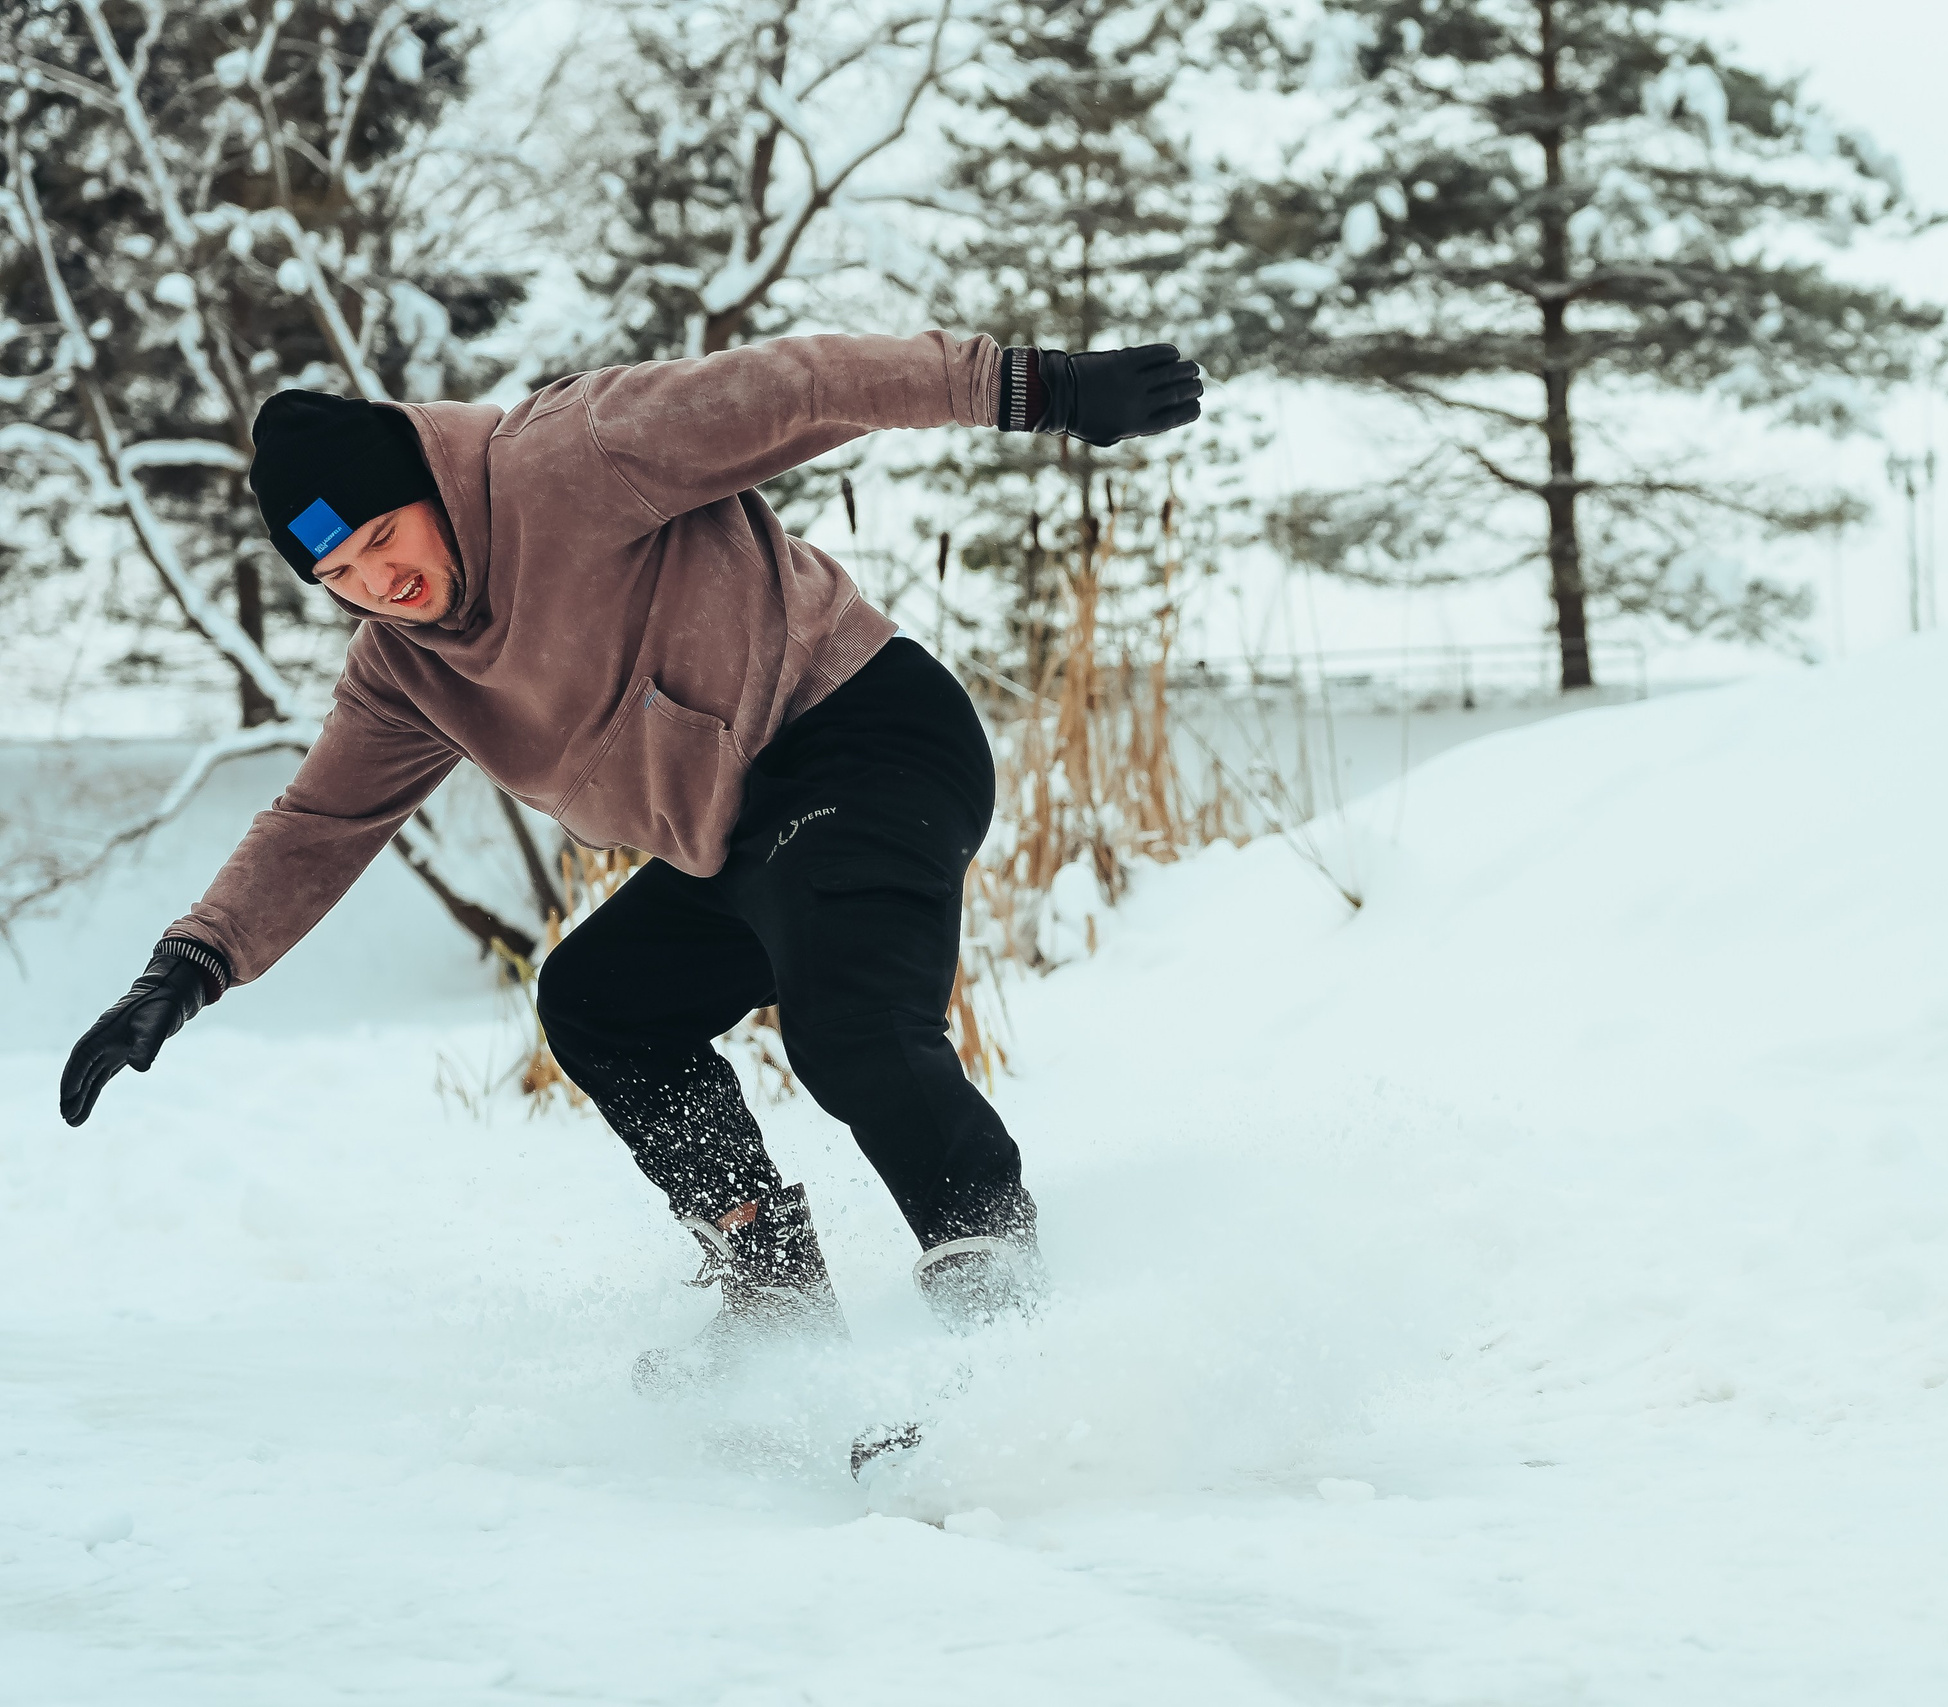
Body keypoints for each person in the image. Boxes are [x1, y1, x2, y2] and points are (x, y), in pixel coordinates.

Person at [56, 333, 1203, 1387]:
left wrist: (1042, 389)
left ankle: (997, 1298)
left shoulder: (571, 457)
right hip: (739, 831)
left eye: (382, 541)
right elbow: (320, 821)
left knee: (845, 1017)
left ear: (429, 490)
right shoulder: (404, 668)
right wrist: (190, 964)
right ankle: (773, 1291)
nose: (380, 585)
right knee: (600, 999)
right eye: (342, 577)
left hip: (866, 734)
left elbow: (806, 387)